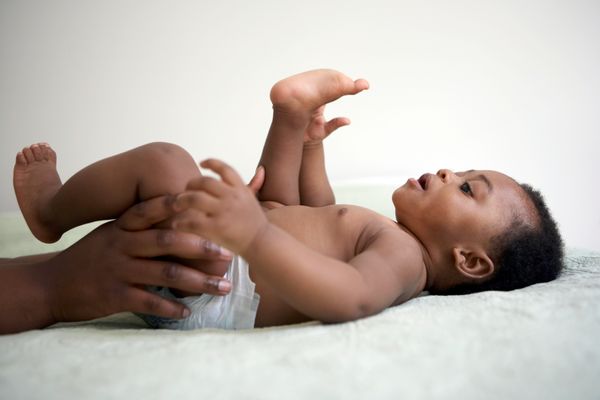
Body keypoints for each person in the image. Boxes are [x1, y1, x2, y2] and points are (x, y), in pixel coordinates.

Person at [11, 69, 564, 330]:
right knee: (189, 171)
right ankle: (288, 108)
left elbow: (348, 296)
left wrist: (253, 235)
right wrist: (305, 142)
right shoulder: (379, 231)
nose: (448, 170)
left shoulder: (403, 263)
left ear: (469, 260)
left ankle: (54, 211)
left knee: (164, 162)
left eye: (467, 186)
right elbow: (299, 207)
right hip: (230, 263)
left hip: (217, 286)